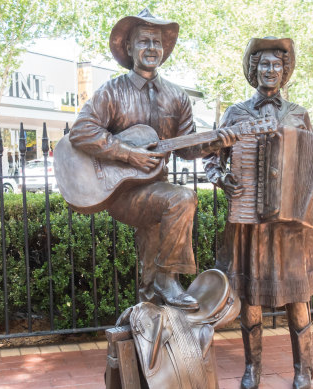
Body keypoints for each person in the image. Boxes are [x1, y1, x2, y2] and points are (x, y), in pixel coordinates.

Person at [69, 9, 236, 311]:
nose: (151, 49)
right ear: (129, 48)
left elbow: (187, 149)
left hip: (156, 189)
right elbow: (81, 131)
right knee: (182, 198)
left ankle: (151, 336)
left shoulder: (176, 96)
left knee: (151, 261)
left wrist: (214, 145)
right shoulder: (112, 91)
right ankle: (167, 278)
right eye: (143, 42)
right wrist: (128, 152)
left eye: (157, 43)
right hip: (120, 192)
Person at [203, 37, 313, 389]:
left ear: (285, 71)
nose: (270, 71)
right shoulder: (235, 113)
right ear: (253, 70)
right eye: (263, 64)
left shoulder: (298, 114)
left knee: (298, 295)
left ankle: (302, 369)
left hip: (293, 224)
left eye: (277, 65)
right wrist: (222, 178)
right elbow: (211, 161)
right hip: (251, 222)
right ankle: (252, 368)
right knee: (251, 296)